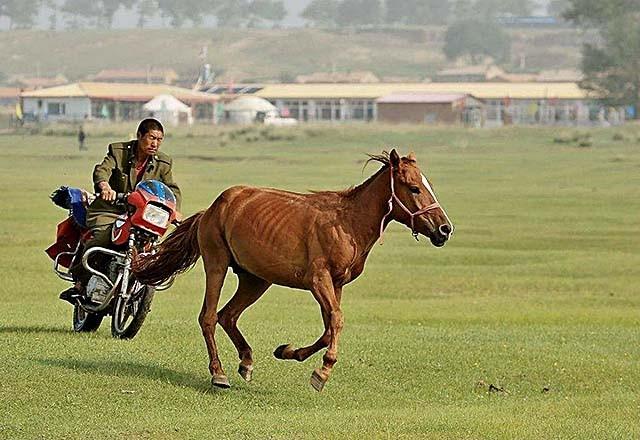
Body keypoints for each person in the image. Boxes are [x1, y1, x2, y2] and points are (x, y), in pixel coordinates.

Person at [60, 118, 182, 304]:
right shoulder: (118, 151)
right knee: (103, 237)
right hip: (110, 209)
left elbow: (172, 189)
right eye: (151, 138)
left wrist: (175, 210)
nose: (154, 143)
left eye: (159, 139)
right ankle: (79, 282)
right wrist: (104, 186)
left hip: (140, 215)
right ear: (139, 135)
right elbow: (102, 170)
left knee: (151, 246)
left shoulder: (163, 163)